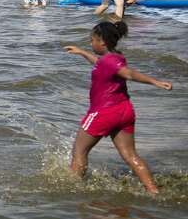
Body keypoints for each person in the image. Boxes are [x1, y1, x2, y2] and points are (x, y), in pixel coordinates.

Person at [64, 20, 173, 194]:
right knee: (131, 156)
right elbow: (101, 63)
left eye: (92, 40)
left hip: (104, 113)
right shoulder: (115, 58)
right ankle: (153, 191)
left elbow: (128, 73)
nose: (90, 43)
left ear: (102, 42)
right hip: (124, 112)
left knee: (79, 151)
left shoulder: (110, 63)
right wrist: (82, 52)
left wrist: (156, 82)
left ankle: (71, 190)